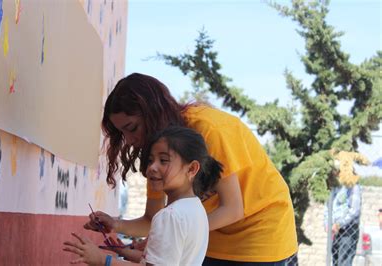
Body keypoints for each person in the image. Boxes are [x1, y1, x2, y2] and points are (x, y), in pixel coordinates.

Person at [84, 73, 298, 265]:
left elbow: (232, 209)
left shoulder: (209, 130)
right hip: (210, 239)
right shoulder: (158, 156)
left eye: (132, 128)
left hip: (261, 238)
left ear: (152, 114)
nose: (130, 140)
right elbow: (152, 219)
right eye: (123, 134)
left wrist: (166, 235)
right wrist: (116, 224)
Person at [63, 126, 223, 265]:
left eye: (164, 160)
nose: (152, 167)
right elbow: (165, 259)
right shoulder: (196, 209)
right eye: (150, 160)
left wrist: (102, 260)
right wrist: (124, 252)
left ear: (191, 169)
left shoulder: (170, 216)